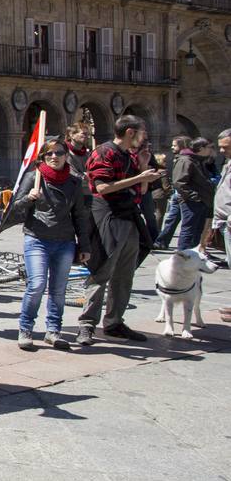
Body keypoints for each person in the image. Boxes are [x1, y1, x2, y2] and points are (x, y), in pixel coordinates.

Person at [77, 114, 162, 346]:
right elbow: (102, 187)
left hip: (130, 218)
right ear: (130, 132)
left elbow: (142, 191)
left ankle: (114, 322)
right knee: (102, 272)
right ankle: (87, 324)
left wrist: (143, 168)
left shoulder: (132, 156)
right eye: (142, 133)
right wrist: (140, 177)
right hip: (108, 217)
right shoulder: (104, 153)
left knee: (125, 275)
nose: (144, 139)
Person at [12, 137, 91, 350]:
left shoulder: (74, 182)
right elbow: (15, 209)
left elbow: (80, 215)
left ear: (67, 156)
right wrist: (29, 198)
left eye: (58, 153)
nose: (54, 157)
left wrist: (84, 245)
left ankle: (53, 331)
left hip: (65, 241)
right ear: (43, 157)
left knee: (58, 289)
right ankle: (25, 328)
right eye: (49, 154)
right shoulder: (33, 177)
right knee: (36, 284)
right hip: (37, 237)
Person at [171, 137, 214, 252]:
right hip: (192, 202)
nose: (212, 150)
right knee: (189, 230)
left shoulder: (196, 160)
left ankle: (191, 256)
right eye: (210, 147)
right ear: (201, 148)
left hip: (202, 202)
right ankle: (183, 256)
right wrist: (194, 197)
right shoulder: (186, 160)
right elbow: (179, 182)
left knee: (196, 231)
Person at [155, 135, 190, 247]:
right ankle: (160, 239)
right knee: (166, 217)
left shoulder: (181, 158)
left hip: (176, 194)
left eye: (174, 145)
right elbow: (174, 182)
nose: (172, 147)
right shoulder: (181, 159)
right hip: (176, 194)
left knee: (170, 219)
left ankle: (161, 240)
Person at [213, 129, 231, 267]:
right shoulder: (228, 163)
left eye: (225, 147)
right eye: (220, 146)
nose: (221, 150)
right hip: (224, 222)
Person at [135, 140, 160, 240]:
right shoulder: (130, 154)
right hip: (133, 187)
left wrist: (149, 167)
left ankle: (153, 237)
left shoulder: (148, 155)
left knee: (149, 215)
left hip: (146, 189)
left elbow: (155, 167)